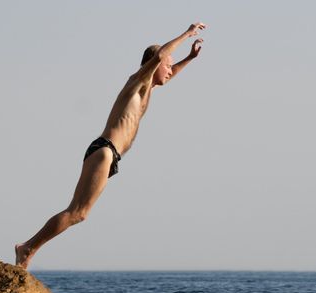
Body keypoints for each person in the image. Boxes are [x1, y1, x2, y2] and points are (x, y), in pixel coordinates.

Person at [15, 22, 207, 269]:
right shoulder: (136, 82)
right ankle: (27, 248)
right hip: (104, 151)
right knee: (76, 211)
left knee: (80, 214)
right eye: (168, 66)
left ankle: (29, 248)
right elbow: (160, 56)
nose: (170, 71)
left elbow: (167, 73)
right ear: (154, 65)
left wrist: (189, 58)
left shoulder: (149, 90)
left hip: (110, 155)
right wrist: (186, 34)